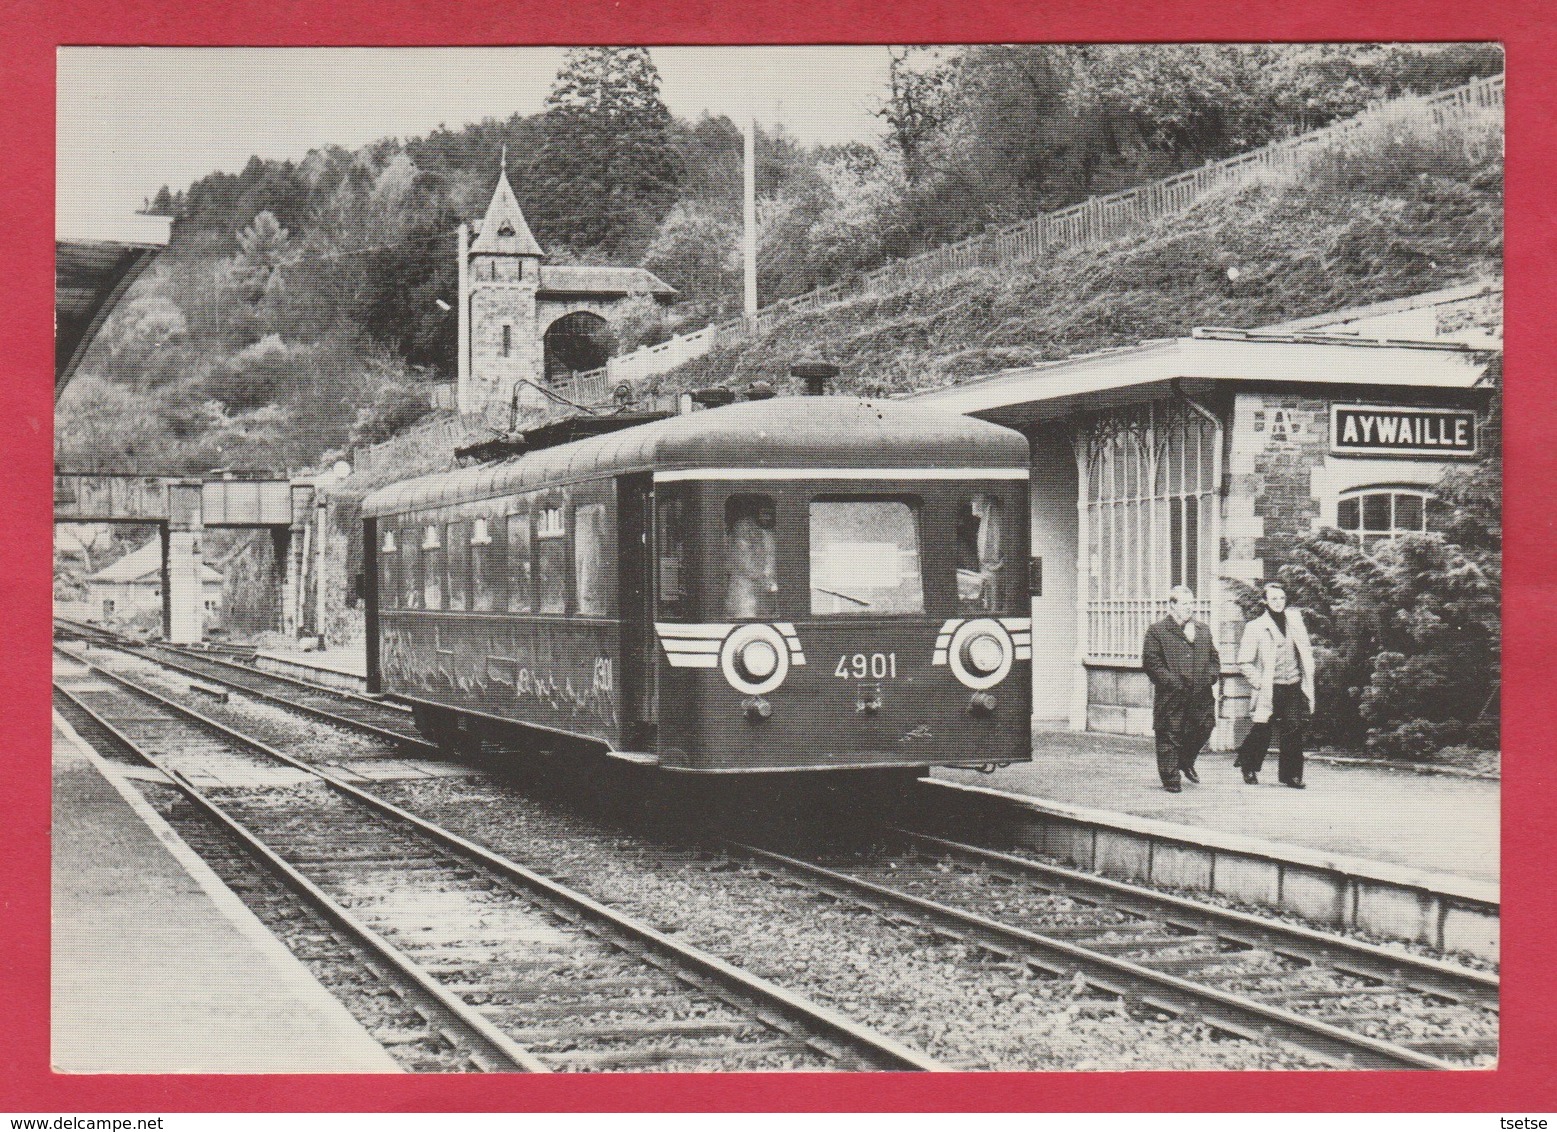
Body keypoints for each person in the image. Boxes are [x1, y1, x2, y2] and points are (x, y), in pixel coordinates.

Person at [1234, 581, 1316, 789]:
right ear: (1265, 602)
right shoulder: (1255, 627)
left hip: (1293, 683)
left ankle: (1292, 776)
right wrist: (1259, 683)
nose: (1278, 603)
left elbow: (1305, 649)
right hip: (1270, 687)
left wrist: (1308, 672)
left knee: (1294, 727)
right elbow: (1244, 661)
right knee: (1263, 728)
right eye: (1273, 599)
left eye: (1281, 598)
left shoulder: (1296, 622)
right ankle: (1248, 764)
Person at [1141, 585, 1221, 793]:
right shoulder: (1157, 631)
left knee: (1204, 727)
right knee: (1170, 733)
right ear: (1172, 605)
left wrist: (1210, 676)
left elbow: (1214, 659)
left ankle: (1185, 761)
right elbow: (1152, 663)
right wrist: (1173, 682)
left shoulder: (1203, 630)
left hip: (1200, 695)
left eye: (1192, 603)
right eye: (1185, 603)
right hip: (1172, 695)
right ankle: (1170, 778)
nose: (1190, 607)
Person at [726, 501, 778, 618]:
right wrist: (762, 578)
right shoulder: (743, 527)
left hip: (767, 588)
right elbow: (742, 558)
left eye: (770, 513)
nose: (767, 517)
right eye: (764, 513)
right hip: (745, 586)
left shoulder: (774, 530)